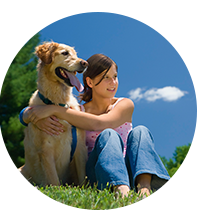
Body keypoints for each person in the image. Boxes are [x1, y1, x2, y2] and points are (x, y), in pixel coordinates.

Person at [20, 54, 171, 198]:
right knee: (108, 135)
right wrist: (29, 116)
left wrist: (53, 109)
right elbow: (31, 112)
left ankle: (144, 188)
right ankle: (121, 190)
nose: (113, 82)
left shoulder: (125, 104)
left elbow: (99, 123)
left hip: (130, 169)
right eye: (106, 78)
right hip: (99, 173)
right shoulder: (79, 110)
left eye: (115, 77)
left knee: (141, 131)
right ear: (90, 82)